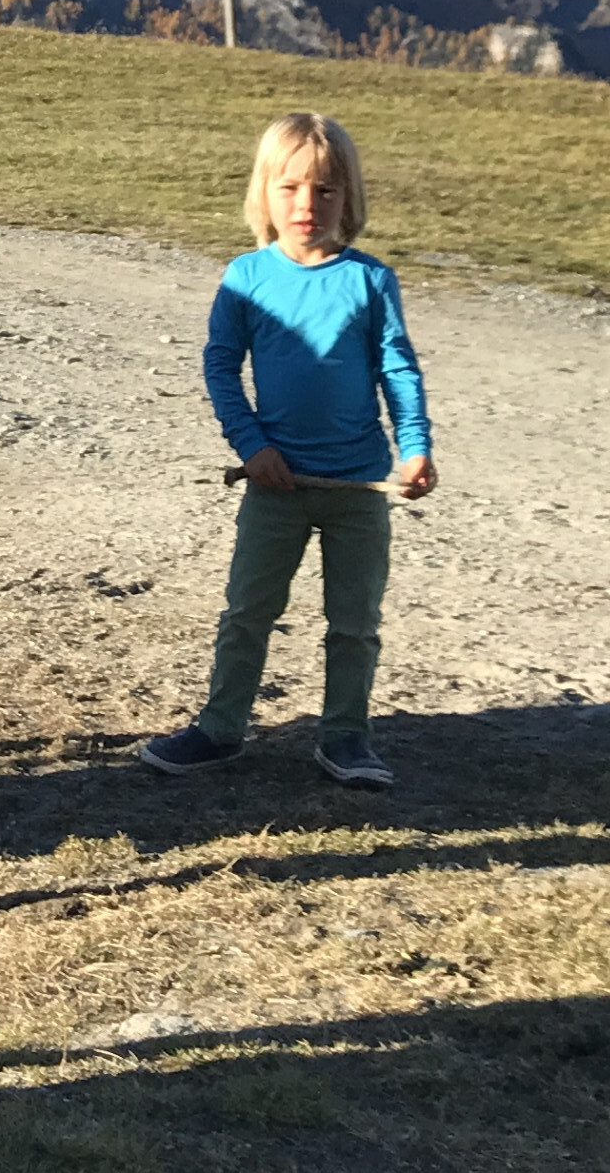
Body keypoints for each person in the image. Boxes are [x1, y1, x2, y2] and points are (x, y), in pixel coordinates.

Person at [138, 109, 435, 791]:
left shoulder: (370, 282)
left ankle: (346, 736)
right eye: (292, 188)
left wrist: (414, 448)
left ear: (349, 200)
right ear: (265, 195)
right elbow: (220, 366)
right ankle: (219, 729)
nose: (308, 205)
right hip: (274, 487)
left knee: (355, 623)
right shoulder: (246, 278)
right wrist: (252, 445)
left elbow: (399, 370)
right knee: (247, 612)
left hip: (358, 491)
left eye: (326, 190)